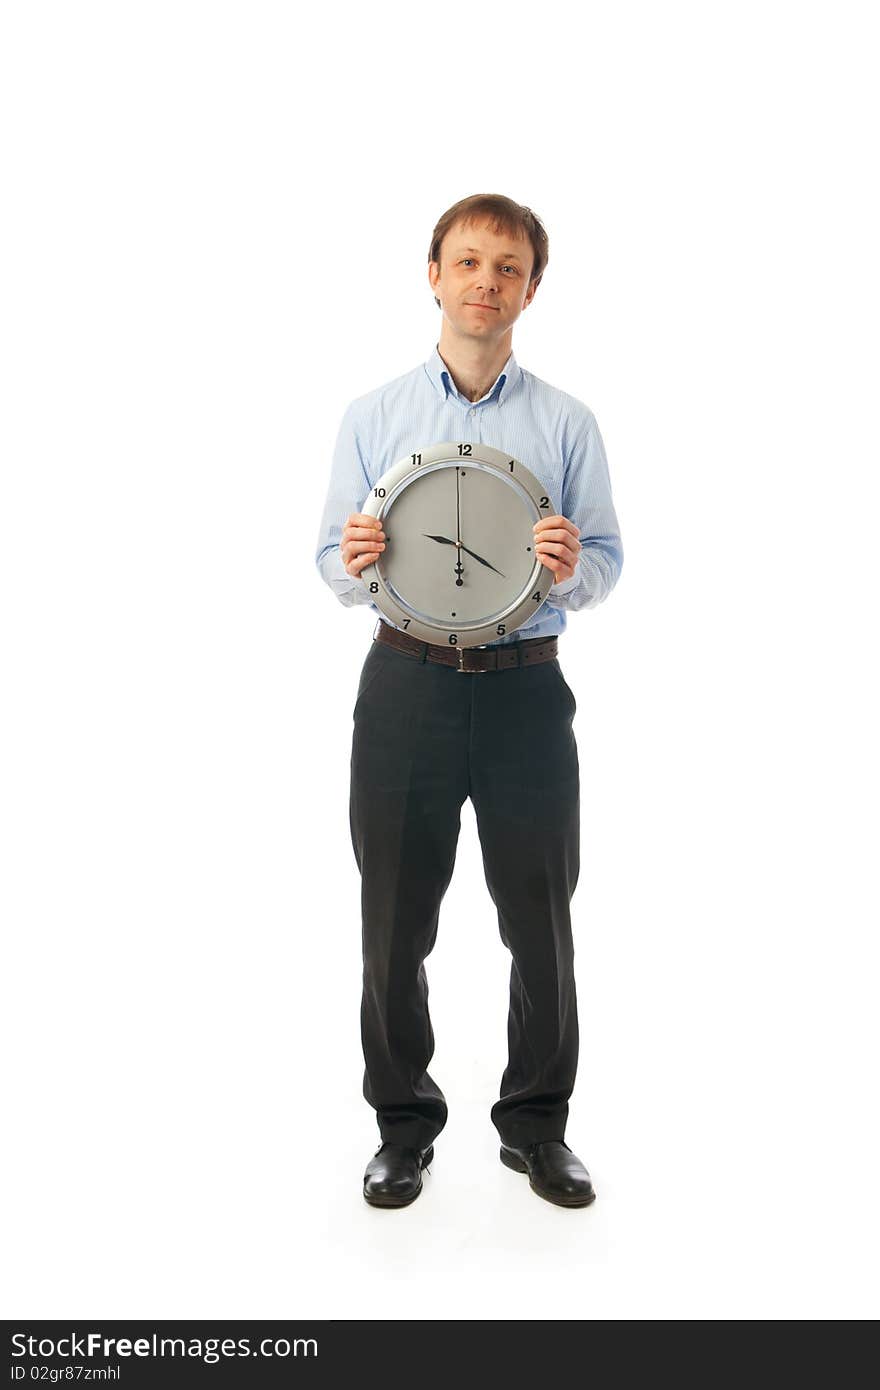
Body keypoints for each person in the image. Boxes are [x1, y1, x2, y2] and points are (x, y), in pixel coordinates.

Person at [314, 193, 623, 1210]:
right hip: (403, 686)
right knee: (392, 921)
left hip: (527, 692)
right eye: (467, 261)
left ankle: (535, 1126)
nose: (484, 281)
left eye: (506, 267)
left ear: (530, 289)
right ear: (434, 275)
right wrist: (354, 562)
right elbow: (329, 556)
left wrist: (572, 566)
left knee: (540, 920)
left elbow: (609, 562)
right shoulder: (374, 416)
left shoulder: (566, 422)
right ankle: (402, 1127)